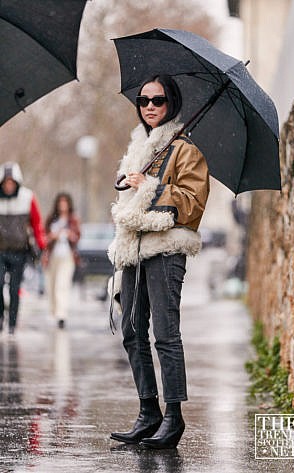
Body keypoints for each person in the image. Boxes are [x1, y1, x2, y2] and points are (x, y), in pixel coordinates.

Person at [109, 75, 210, 449]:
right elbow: (130, 201)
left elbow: (192, 203)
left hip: (166, 249)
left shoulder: (186, 151)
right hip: (134, 248)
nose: (150, 106)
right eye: (143, 100)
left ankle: (174, 417)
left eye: (159, 100)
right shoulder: (141, 149)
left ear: (173, 103)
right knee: (132, 331)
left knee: (166, 335)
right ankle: (148, 412)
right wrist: (132, 185)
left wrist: (149, 186)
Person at [0, 162, 46, 334]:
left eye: (12, 182)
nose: (9, 185)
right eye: (6, 182)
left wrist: (41, 245)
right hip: (1, 251)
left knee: (14, 288)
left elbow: (37, 224)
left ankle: (12, 324)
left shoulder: (28, 197)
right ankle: (0, 319)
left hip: (19, 251)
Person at [43, 193, 80, 329]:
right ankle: (54, 312)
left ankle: (61, 315)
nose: (63, 205)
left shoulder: (73, 219)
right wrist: (53, 236)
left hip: (67, 257)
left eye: (65, 203)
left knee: (62, 285)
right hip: (52, 257)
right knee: (51, 287)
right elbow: (44, 237)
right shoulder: (51, 219)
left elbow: (77, 236)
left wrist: (70, 235)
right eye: (61, 202)